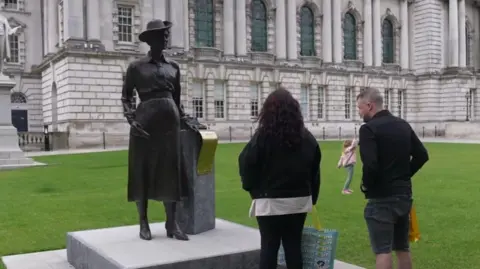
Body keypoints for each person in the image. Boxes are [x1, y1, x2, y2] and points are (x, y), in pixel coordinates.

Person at [121, 19, 204, 241]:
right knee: (142, 170)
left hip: (170, 124)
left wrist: (187, 120)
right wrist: (131, 119)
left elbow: (177, 101)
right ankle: (143, 222)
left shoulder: (173, 68)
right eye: (162, 35)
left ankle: (172, 223)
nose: (166, 38)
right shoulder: (136, 67)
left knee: (171, 171)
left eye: (167, 35)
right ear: (151, 39)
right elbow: (126, 96)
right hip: (144, 124)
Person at [238, 87, 321, 269]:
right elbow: (315, 172)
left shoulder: (262, 138)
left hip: (270, 202)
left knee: (269, 248)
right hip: (298, 201)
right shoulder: (307, 138)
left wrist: (253, 190)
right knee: (293, 248)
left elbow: (246, 164)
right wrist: (311, 197)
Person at [356, 88, 429, 269]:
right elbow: (422, 155)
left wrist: (367, 185)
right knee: (402, 248)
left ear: (369, 105)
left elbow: (370, 165)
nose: (359, 113)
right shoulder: (403, 125)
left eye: (360, 108)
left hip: (382, 197)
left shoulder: (368, 129)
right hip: (403, 195)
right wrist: (404, 175)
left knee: (383, 250)